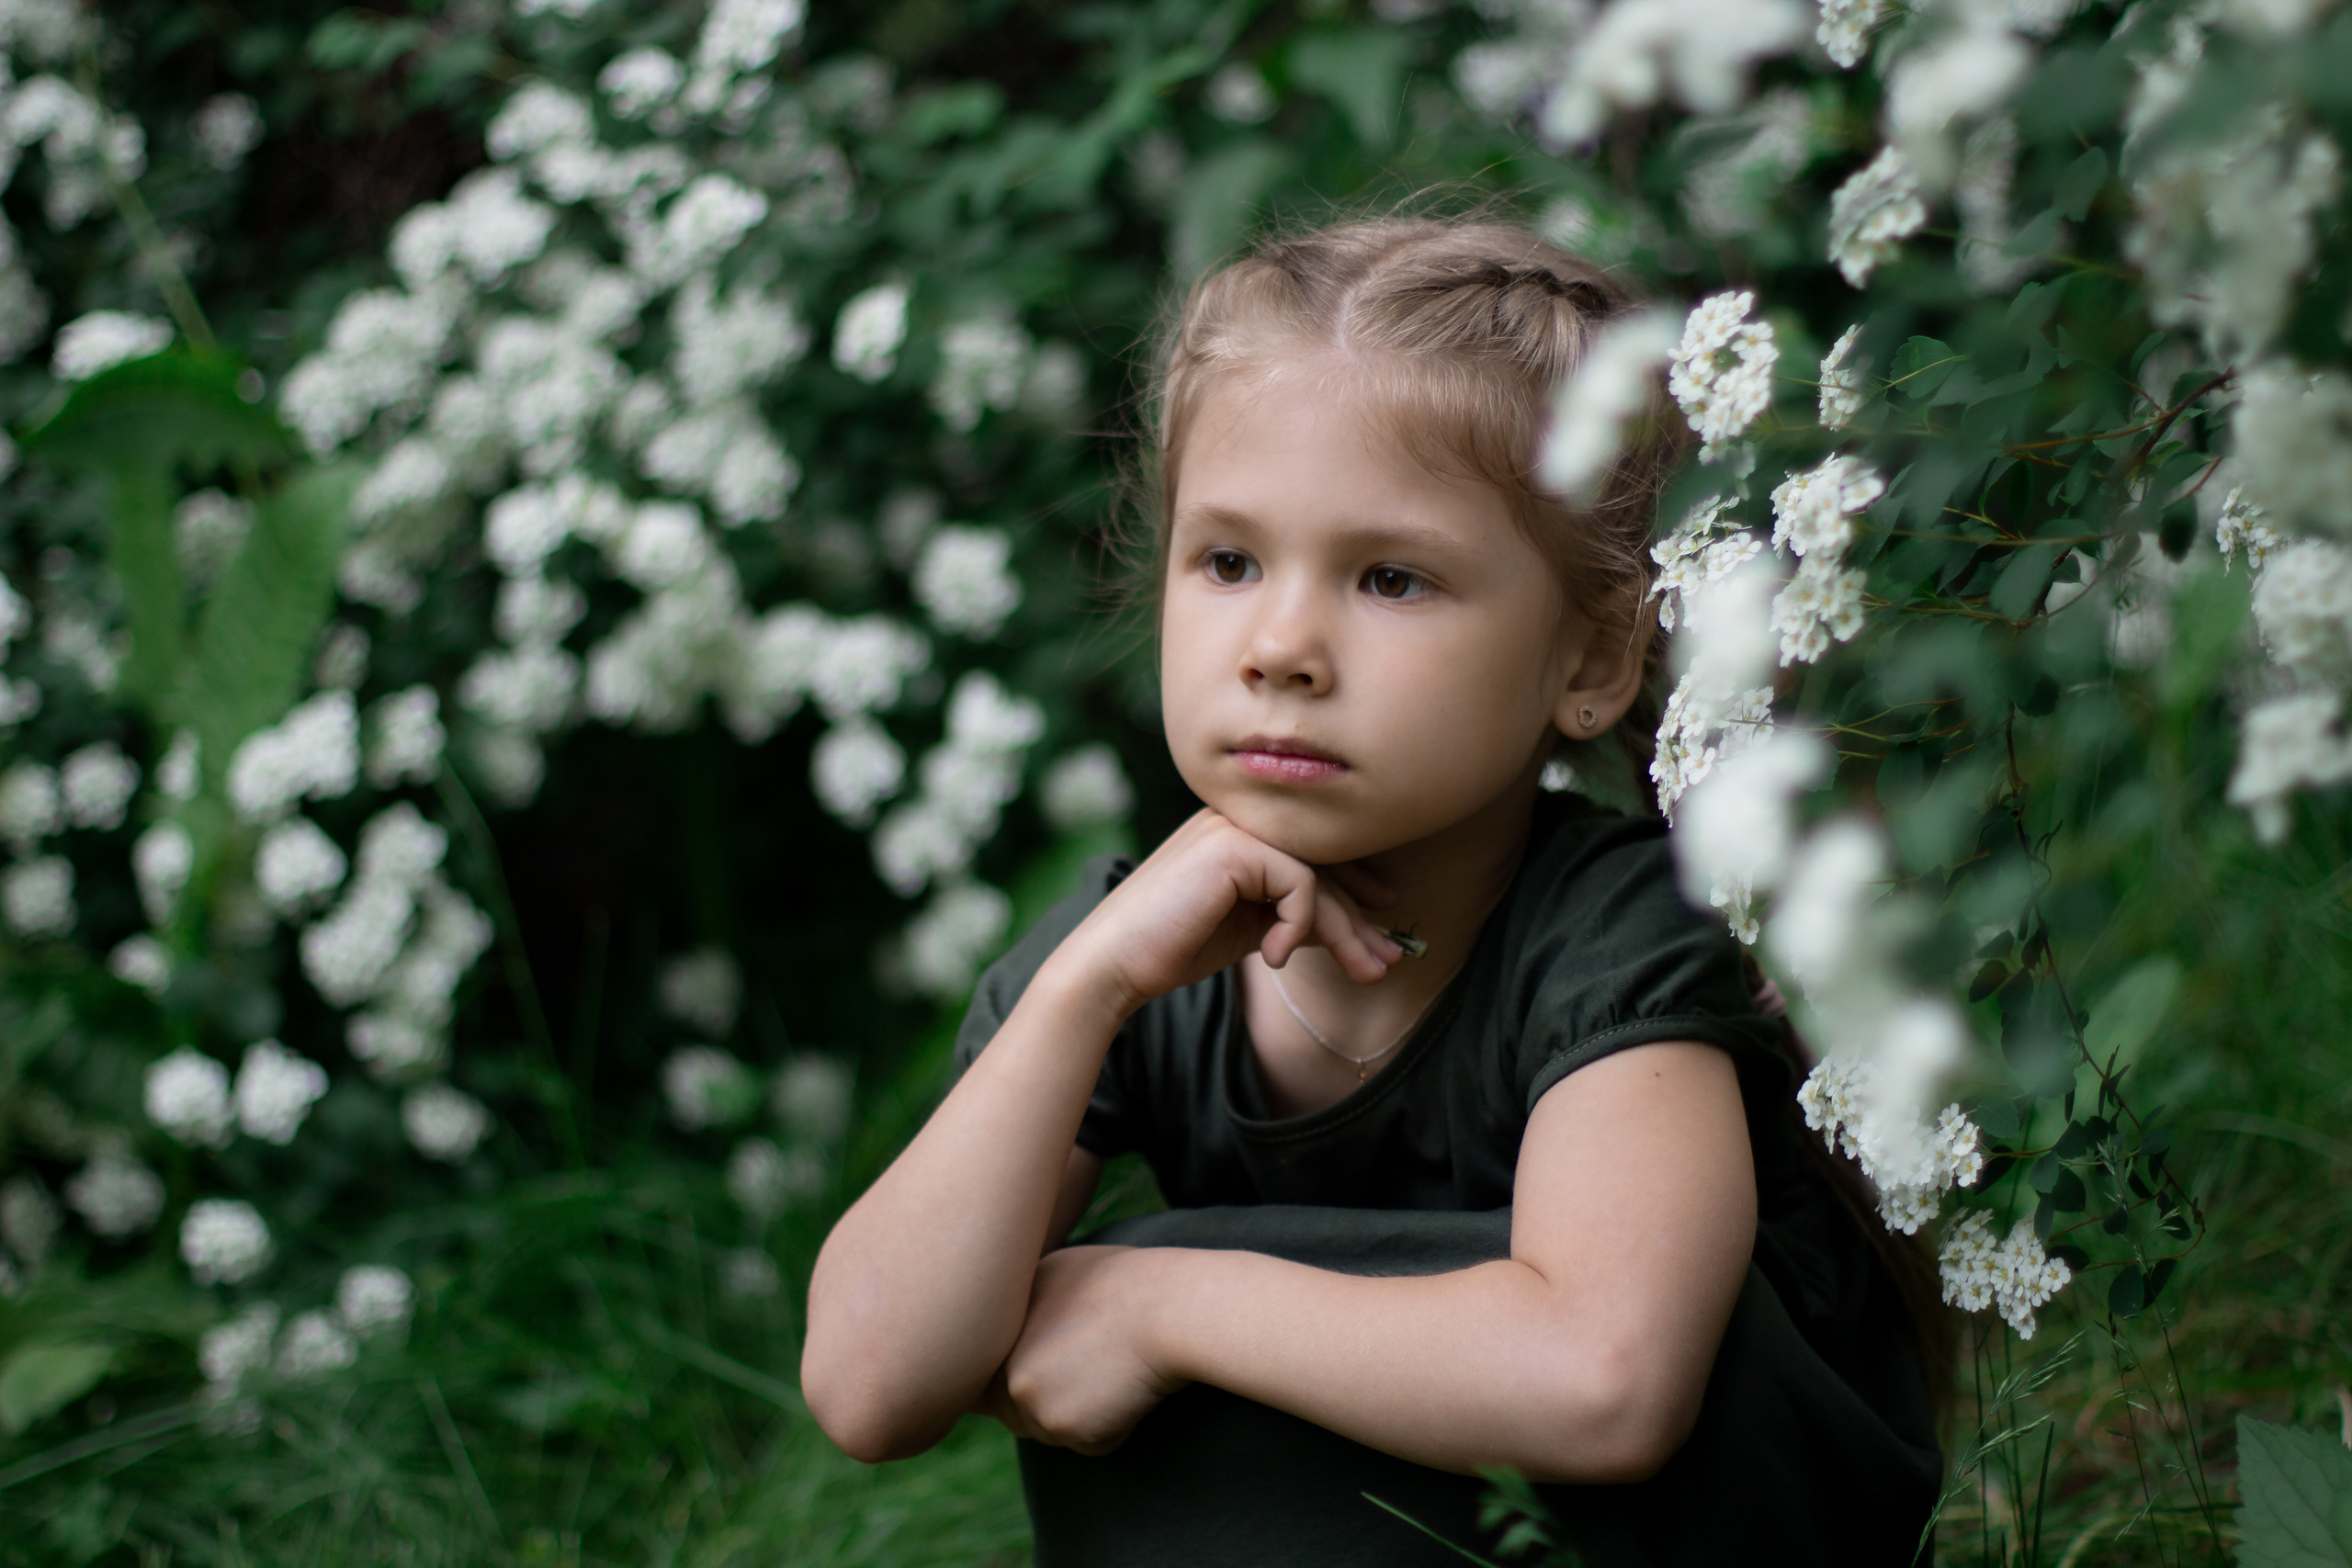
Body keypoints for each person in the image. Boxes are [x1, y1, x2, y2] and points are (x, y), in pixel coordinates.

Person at [802, 218, 1944, 1566]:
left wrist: (1160, 1302)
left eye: (1391, 578)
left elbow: (1605, 1381)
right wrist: (1084, 989)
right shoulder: (1135, 965)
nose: (1281, 646)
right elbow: (871, 1384)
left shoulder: (1621, 931)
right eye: (1228, 562)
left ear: (1594, 656)